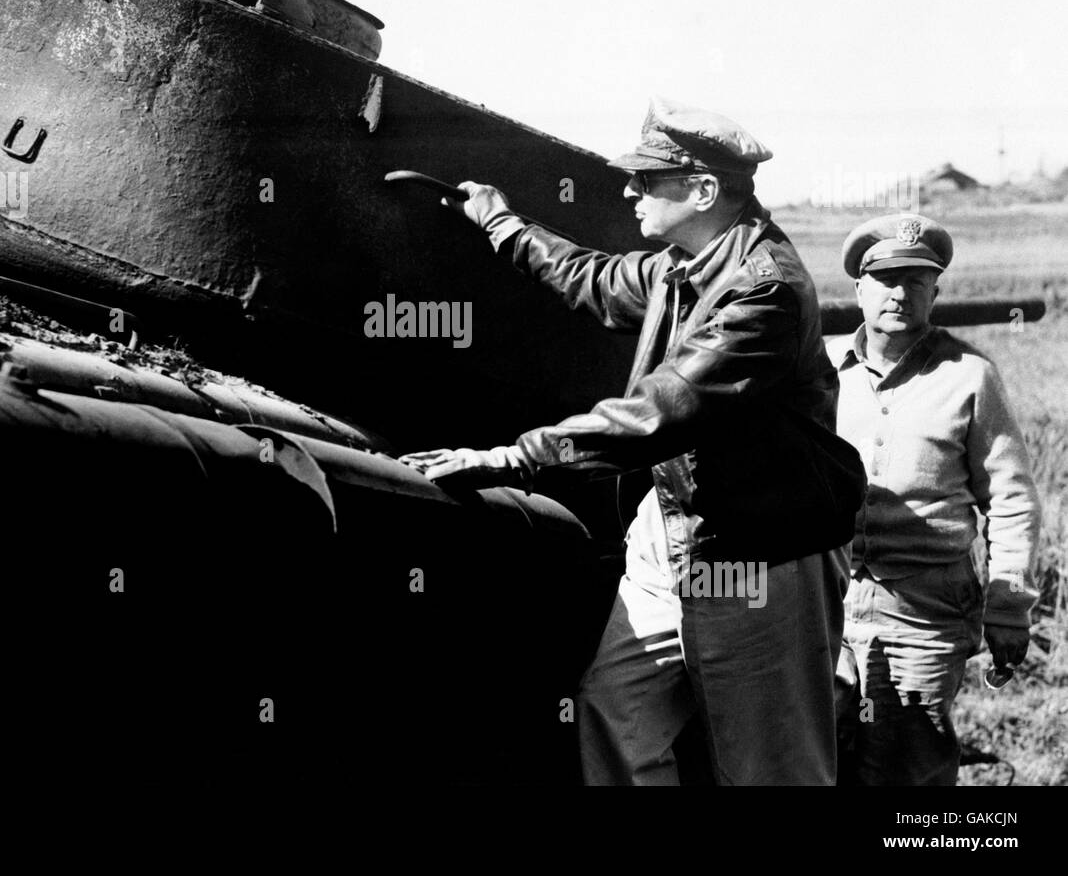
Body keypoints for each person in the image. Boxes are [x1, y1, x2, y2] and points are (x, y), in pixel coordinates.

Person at [401, 97, 864, 785]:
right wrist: (500, 223)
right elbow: (591, 278)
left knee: (772, 767)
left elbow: (658, 415)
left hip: (759, 549)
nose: (628, 190)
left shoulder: (762, 291)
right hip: (671, 530)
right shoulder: (686, 263)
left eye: (647, 180)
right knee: (617, 716)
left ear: (703, 191)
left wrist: (510, 458)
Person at [829, 213, 1041, 785]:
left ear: (935, 292)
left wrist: (1007, 606)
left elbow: (1011, 497)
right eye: (886, 278)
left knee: (907, 761)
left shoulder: (969, 376)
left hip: (925, 606)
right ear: (859, 288)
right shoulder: (824, 370)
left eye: (915, 281)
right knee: (821, 751)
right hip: (827, 597)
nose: (899, 293)